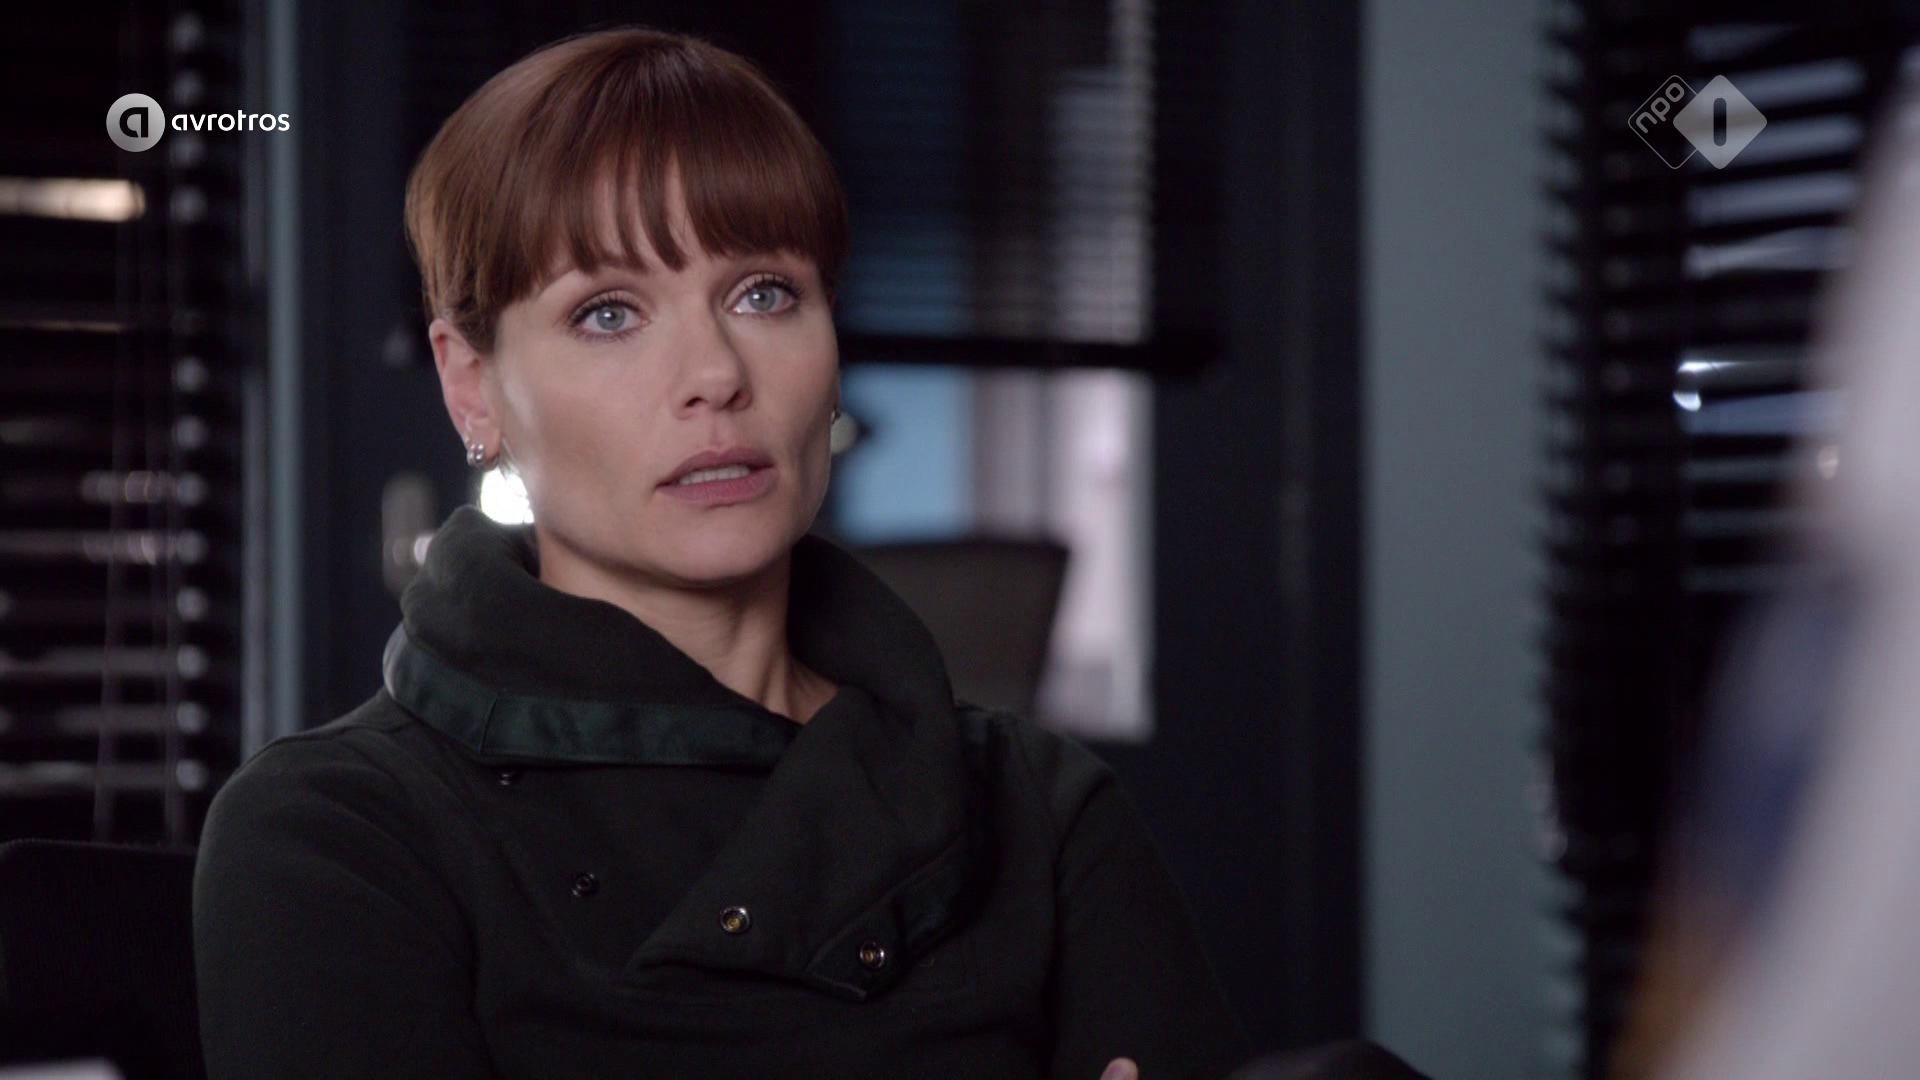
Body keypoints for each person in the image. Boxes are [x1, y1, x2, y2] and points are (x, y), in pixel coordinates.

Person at [190, 25, 1250, 1080]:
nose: (715, 374)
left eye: (764, 294)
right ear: (473, 385)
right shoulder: (339, 831)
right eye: (609, 313)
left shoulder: (1038, 810)